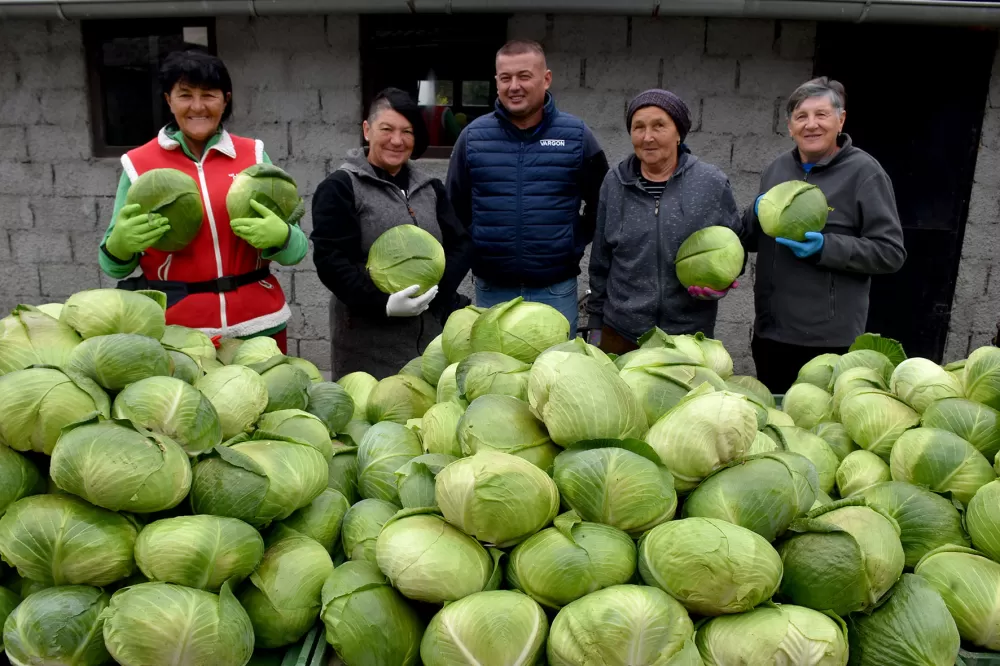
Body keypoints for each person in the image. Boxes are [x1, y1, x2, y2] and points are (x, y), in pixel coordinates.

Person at [99, 49, 306, 353]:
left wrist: (283, 236)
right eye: (185, 95)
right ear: (169, 100)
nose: (197, 106)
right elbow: (113, 266)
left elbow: (297, 250)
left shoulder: (253, 155)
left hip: (259, 325)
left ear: (225, 99)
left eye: (208, 95)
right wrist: (120, 245)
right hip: (178, 335)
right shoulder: (139, 164)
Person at [743, 77, 906, 393]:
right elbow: (752, 238)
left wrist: (826, 248)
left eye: (821, 114)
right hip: (771, 333)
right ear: (790, 126)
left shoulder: (865, 173)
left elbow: (890, 252)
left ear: (840, 120)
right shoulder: (776, 170)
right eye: (801, 116)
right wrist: (754, 212)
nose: (811, 124)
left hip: (829, 341)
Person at [446, 39, 609, 336]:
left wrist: (573, 240)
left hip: (555, 290)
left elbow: (603, 203)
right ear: (496, 82)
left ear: (546, 79)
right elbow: (453, 209)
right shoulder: (472, 138)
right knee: (493, 365)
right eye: (505, 78)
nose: (514, 86)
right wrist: (478, 244)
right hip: (492, 290)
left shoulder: (576, 136)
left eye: (524, 76)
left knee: (556, 365)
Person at [311, 88, 473, 378]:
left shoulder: (430, 188)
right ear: (367, 130)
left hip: (429, 343)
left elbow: (460, 244)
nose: (397, 140)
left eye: (407, 132)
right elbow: (331, 261)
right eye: (387, 129)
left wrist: (435, 295)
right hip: (366, 345)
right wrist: (383, 303)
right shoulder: (341, 187)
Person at [586, 90, 743, 355]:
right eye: (639, 127)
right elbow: (600, 262)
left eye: (659, 125)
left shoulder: (711, 183)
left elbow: (735, 247)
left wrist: (723, 282)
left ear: (678, 133)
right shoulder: (614, 183)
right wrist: (595, 325)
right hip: (622, 332)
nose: (647, 137)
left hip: (689, 336)